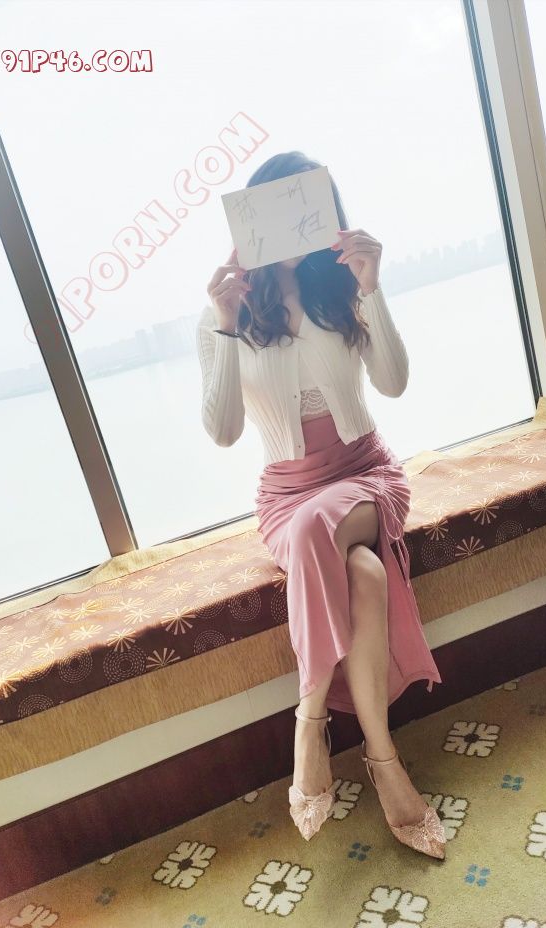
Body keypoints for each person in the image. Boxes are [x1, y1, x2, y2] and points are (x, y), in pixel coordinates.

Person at [196, 151, 445, 859]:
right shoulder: (227, 312)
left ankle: (309, 726)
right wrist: (224, 321)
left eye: (309, 203)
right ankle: (383, 760)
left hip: (366, 475)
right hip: (287, 496)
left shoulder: (341, 289)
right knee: (361, 572)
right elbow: (223, 431)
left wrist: (372, 285)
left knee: (319, 526)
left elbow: (393, 383)